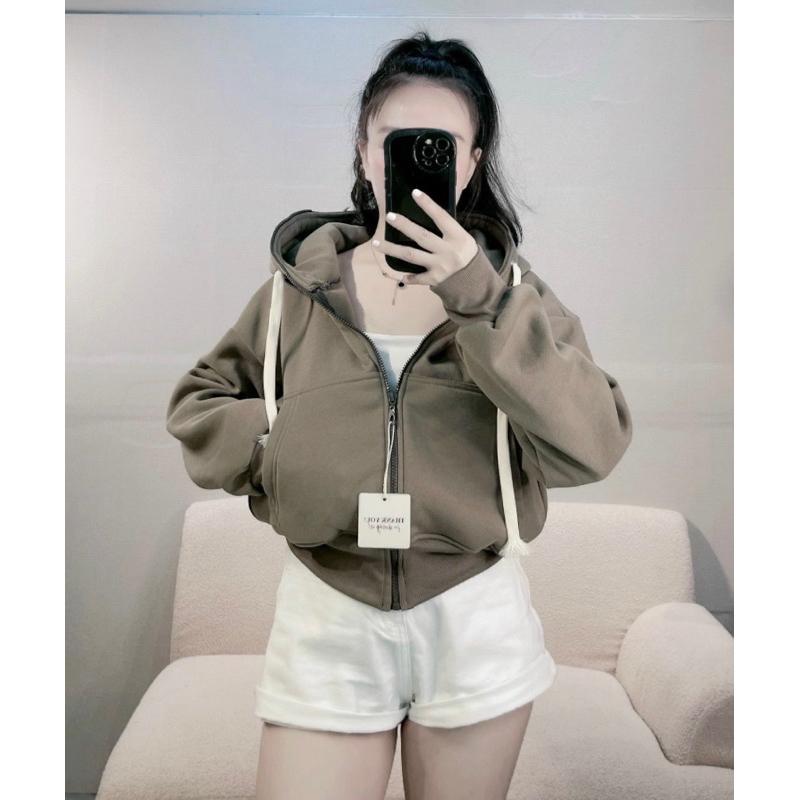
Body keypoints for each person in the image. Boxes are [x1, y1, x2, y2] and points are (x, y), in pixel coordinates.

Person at [166, 30, 632, 800]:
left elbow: (596, 441)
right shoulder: (302, 287)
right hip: (328, 614)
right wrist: (283, 453)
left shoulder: (512, 294)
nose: (415, 160)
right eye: (396, 140)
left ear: (471, 162)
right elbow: (199, 401)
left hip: (473, 617)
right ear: (364, 151)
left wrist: (476, 294)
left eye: (440, 145)